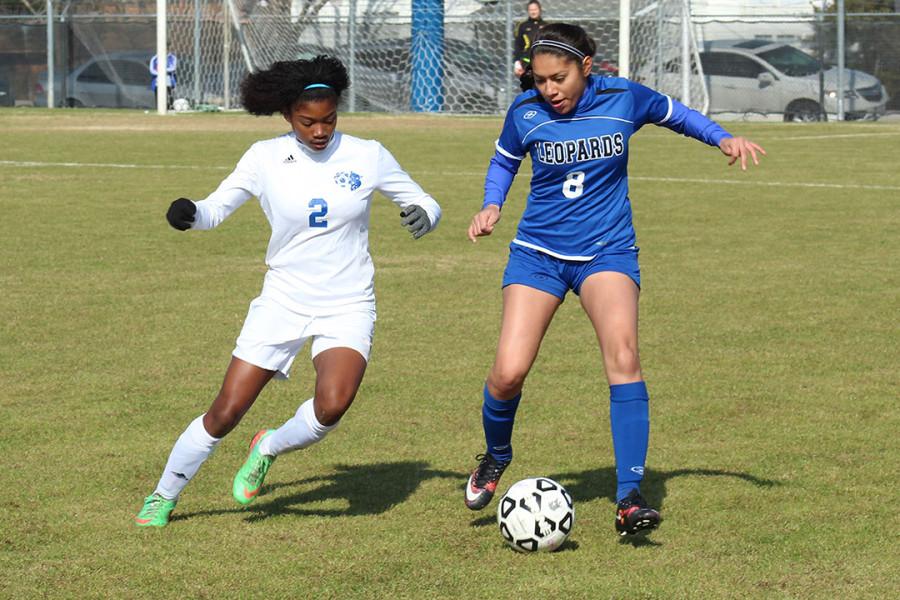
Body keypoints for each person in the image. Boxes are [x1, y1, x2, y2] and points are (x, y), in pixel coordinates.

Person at [464, 23, 765, 537]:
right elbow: (505, 160)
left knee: (624, 358)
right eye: (539, 81)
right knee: (508, 372)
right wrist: (492, 204)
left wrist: (723, 138)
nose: (549, 90)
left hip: (607, 251)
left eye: (558, 78)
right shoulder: (525, 112)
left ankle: (629, 497)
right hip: (537, 254)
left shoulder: (625, 97)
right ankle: (496, 456)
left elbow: (678, 115)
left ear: (586, 65)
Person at [135, 55, 442, 527]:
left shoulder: (368, 154)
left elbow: (423, 198)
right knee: (225, 412)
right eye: (307, 122)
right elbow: (215, 209)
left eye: (329, 120)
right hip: (283, 301)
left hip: (347, 302)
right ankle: (163, 495)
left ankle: (269, 446)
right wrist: (189, 212)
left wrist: (426, 213)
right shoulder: (264, 157)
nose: (320, 131)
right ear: (287, 116)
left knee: (332, 405)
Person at [513, 1, 545, 79]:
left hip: (543, 62)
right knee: (528, 86)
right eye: (531, 10)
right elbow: (518, 45)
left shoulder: (546, 25)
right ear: (528, 11)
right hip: (526, 62)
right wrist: (517, 62)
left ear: (540, 10)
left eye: (535, 9)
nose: (533, 12)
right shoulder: (522, 26)